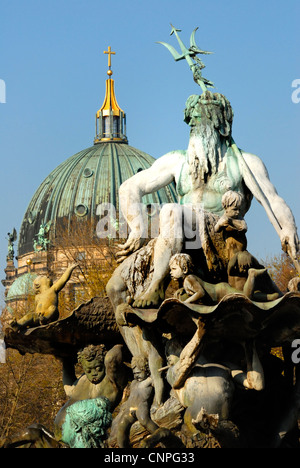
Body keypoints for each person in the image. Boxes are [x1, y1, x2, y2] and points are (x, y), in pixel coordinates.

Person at [116, 91, 299, 308]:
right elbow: (129, 187)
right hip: (177, 238)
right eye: (190, 122)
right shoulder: (177, 161)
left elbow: (272, 200)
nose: (192, 124)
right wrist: (137, 228)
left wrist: (288, 228)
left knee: (171, 211)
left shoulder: (245, 162)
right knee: (115, 287)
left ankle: (157, 284)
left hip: (219, 237)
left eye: (199, 119)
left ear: (221, 126)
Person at [169, 253, 271, 304]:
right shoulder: (187, 281)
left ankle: (252, 275)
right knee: (249, 298)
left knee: (247, 298)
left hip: (221, 291)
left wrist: (184, 303)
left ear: (185, 269)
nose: (171, 272)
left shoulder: (189, 279)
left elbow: (200, 293)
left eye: (173, 269)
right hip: (220, 292)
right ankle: (271, 297)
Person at [9, 263, 78, 331]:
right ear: (38, 284)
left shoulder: (53, 289)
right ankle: (18, 325)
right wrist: (34, 315)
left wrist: (69, 269)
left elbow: (63, 280)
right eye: (43, 277)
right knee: (29, 316)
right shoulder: (37, 296)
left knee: (53, 308)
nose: (47, 276)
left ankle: (45, 319)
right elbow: (35, 308)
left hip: (49, 315)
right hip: (39, 316)